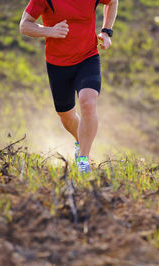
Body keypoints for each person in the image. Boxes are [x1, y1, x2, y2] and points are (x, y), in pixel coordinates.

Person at [19, 0, 118, 173]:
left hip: (88, 56)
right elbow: (24, 25)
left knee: (88, 102)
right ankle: (81, 141)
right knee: (66, 115)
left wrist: (106, 31)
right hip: (57, 63)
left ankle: (83, 161)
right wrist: (50, 31)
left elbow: (112, 1)